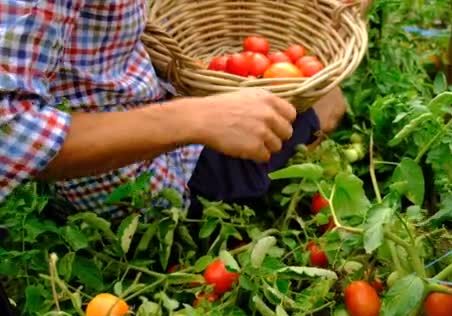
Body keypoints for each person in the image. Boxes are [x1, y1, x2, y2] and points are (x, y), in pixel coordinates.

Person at [0, 0, 371, 219]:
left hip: (147, 94)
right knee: (328, 100)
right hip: (136, 182)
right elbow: (10, 133)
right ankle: (295, 185)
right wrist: (197, 119)